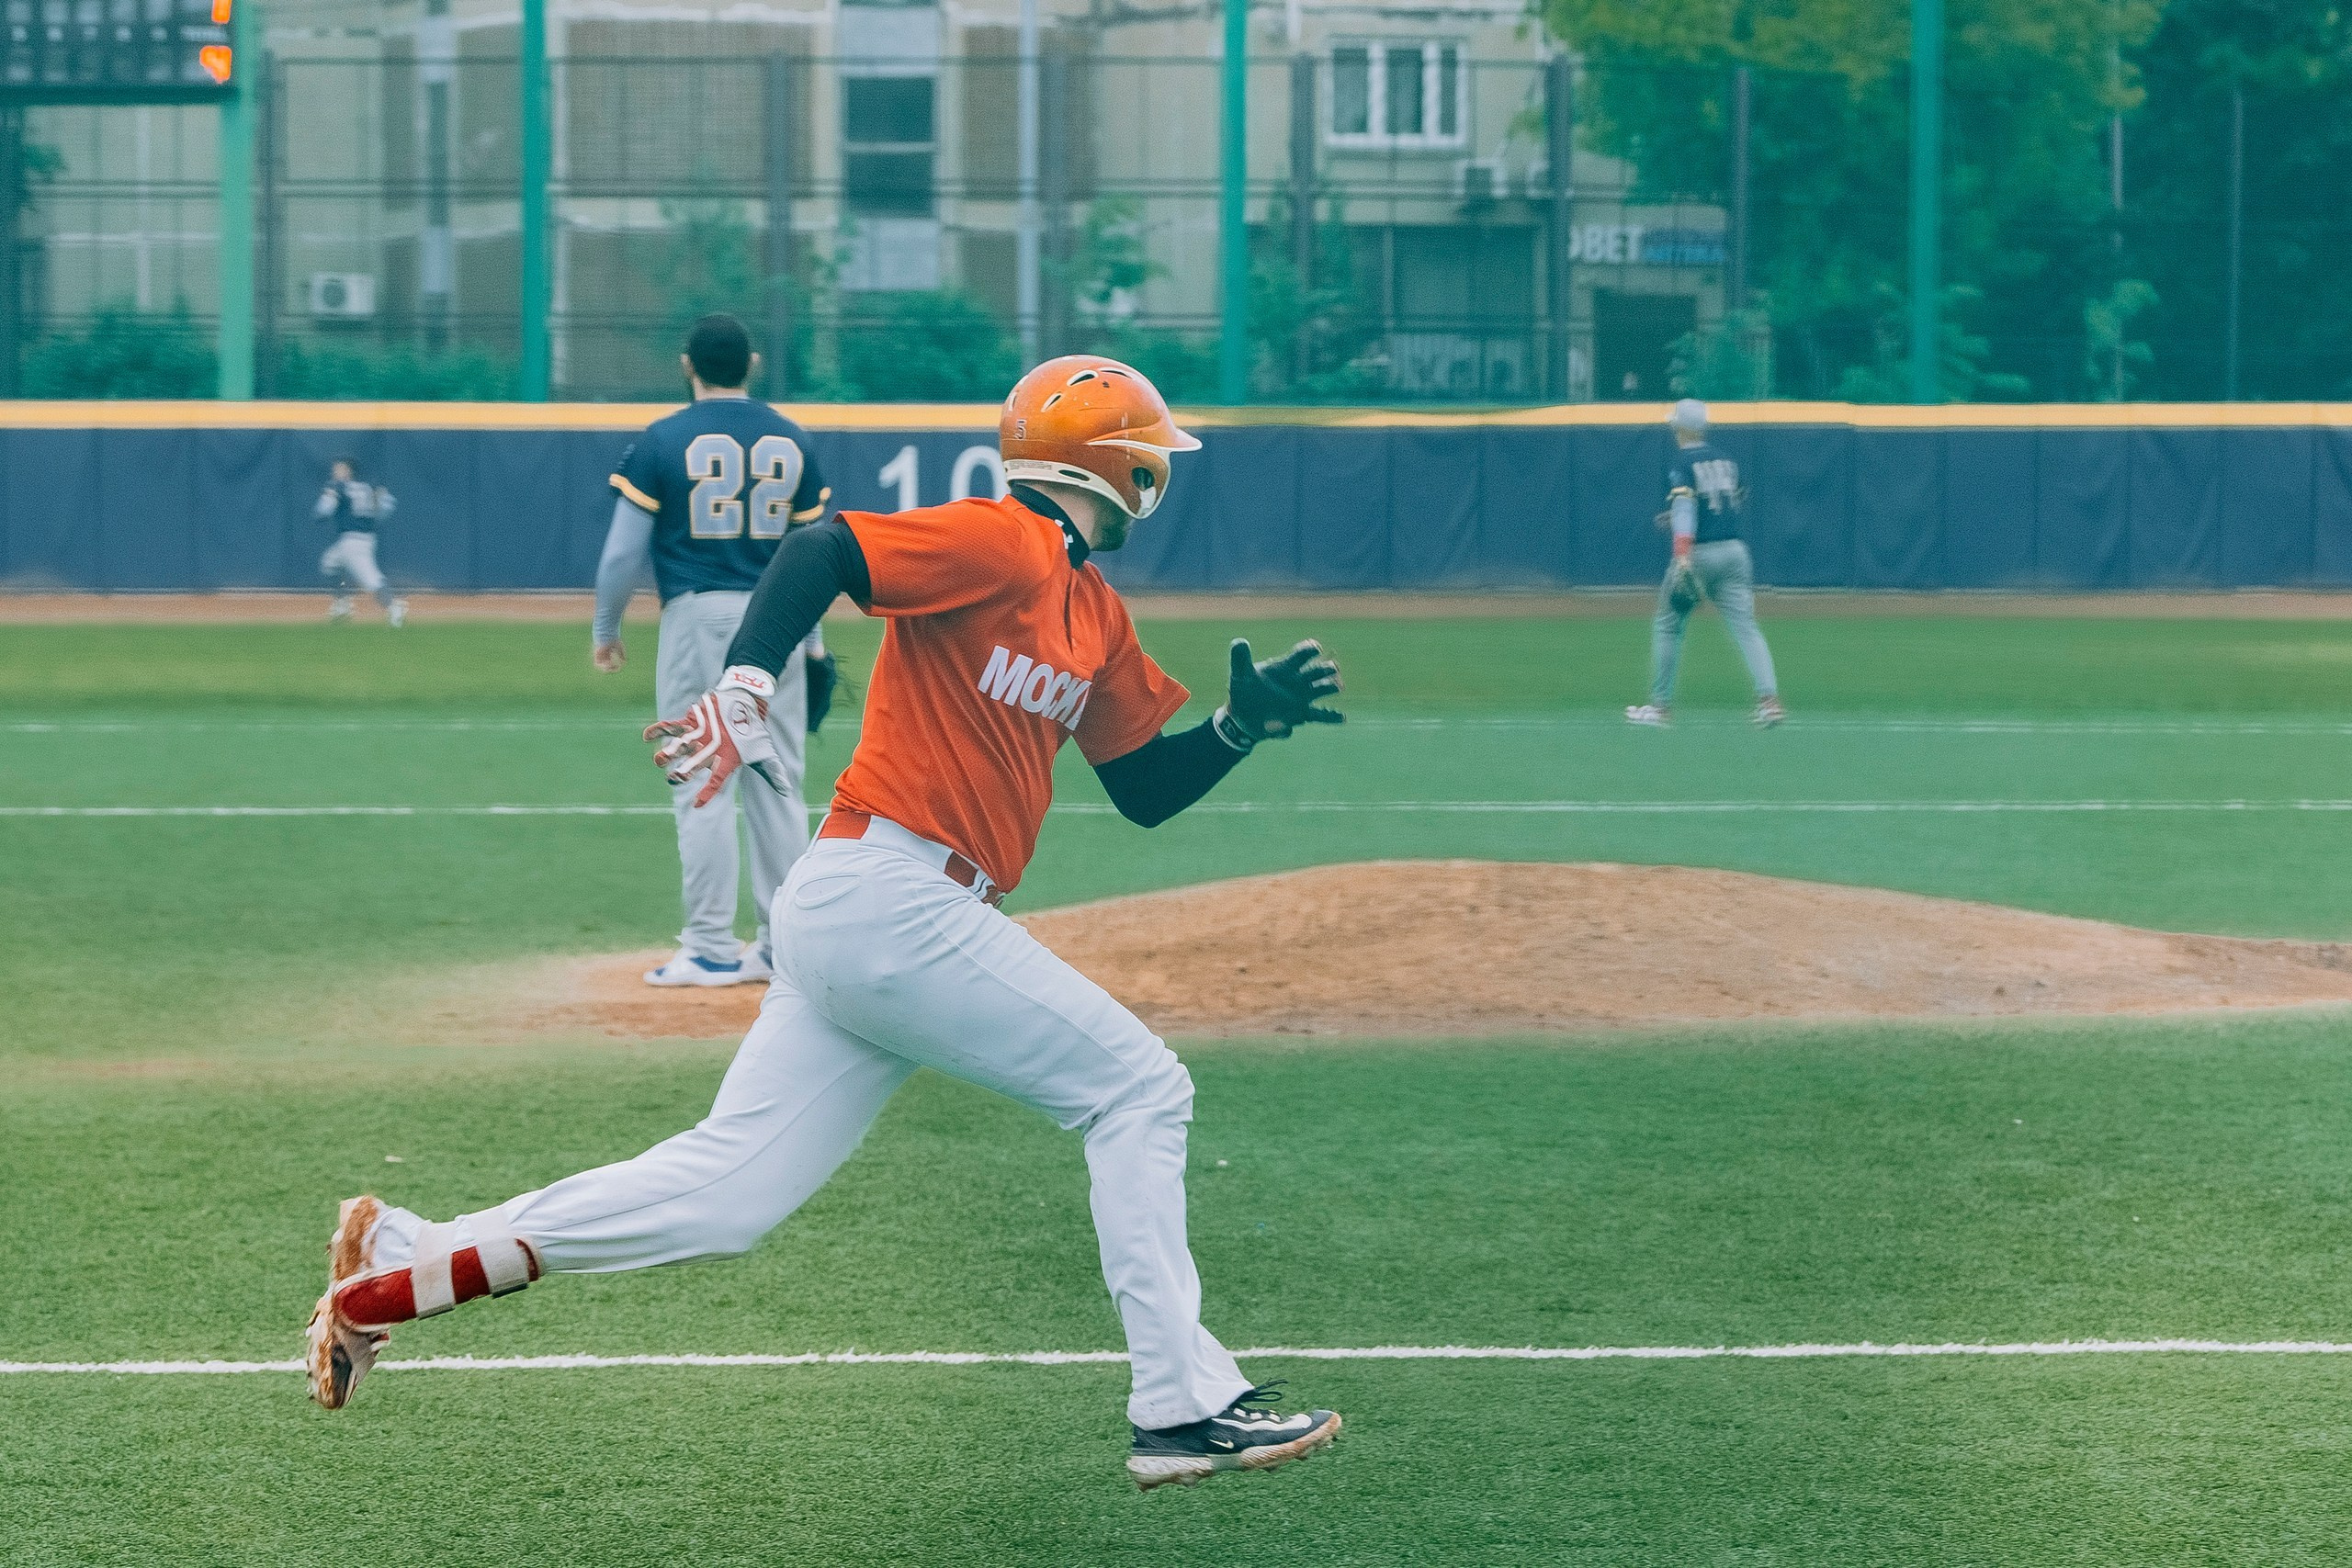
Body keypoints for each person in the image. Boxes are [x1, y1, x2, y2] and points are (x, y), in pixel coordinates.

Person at [303, 354, 1350, 1491]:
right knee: (1141, 1090)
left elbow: (1143, 788)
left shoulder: (1092, 609)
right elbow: (824, 548)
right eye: (1154, 456)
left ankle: (401, 1259)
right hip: (890, 894)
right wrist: (748, 680)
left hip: (879, 914)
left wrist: (1241, 730)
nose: (1162, 475)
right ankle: (1181, 1406)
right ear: (1123, 466)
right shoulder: (1007, 539)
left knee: (727, 1196)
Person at [594, 313, 835, 988]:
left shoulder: (662, 439)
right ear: (752, 363)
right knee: (777, 779)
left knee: (702, 776)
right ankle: (783, 947)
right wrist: (812, 643)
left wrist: (605, 629)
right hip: (779, 617)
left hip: (699, 614)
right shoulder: (792, 440)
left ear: (686, 365)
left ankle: (706, 945)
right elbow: (814, 556)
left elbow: (620, 555)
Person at [1625, 399, 1785, 728]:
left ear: (1679, 427)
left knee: (1668, 626)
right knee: (1747, 628)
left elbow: (1686, 509)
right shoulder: (1727, 459)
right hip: (1735, 553)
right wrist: (1679, 515)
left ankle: (1660, 707)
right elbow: (1733, 499)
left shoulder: (1682, 462)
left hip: (1699, 553)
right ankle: (1769, 702)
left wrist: (1682, 557)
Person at [315, 457, 405, 627]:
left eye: (340, 469)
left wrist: (321, 513)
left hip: (352, 543)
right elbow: (388, 506)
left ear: (348, 471)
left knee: (372, 580)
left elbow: (323, 509)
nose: (336, 473)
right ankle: (342, 604)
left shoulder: (338, 486)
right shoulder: (369, 487)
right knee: (329, 565)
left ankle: (394, 607)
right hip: (365, 538)